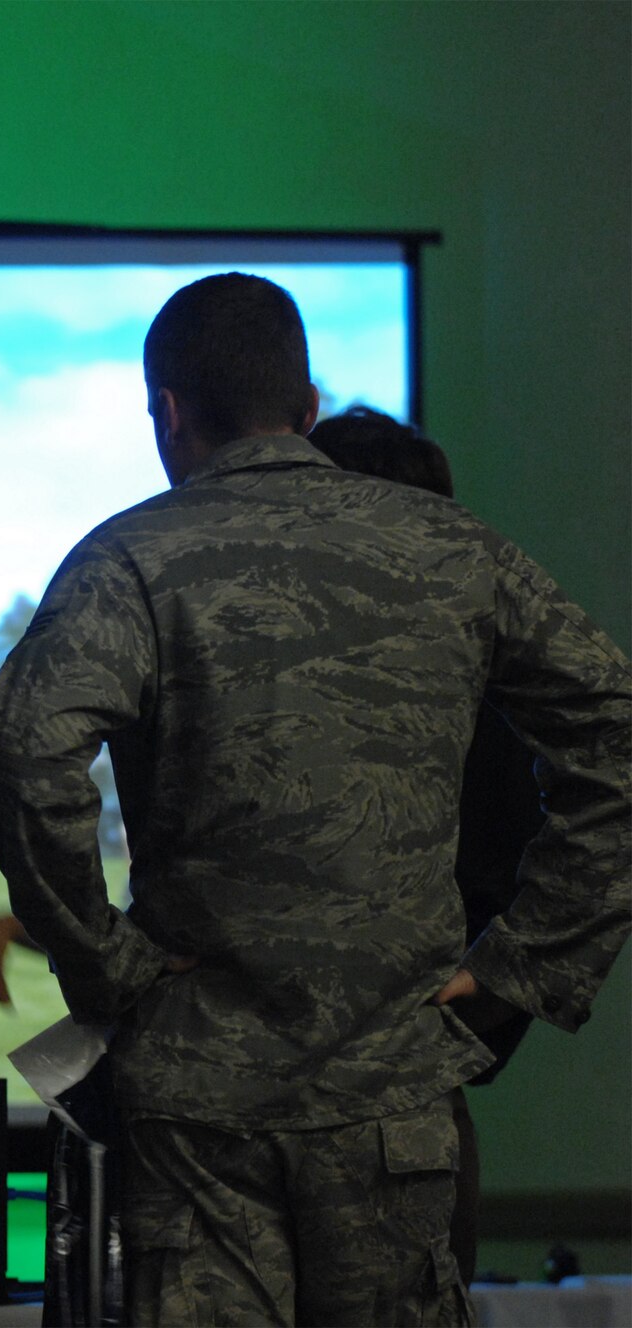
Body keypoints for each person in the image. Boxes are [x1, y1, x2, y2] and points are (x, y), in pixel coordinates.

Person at [0, 274, 631, 1326]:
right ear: (309, 409)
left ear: (166, 411)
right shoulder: (447, 548)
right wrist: (530, 957)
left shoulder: (130, 558)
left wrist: (108, 963)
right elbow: (615, 728)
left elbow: (27, 755)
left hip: (197, 1110)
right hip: (390, 1092)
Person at [308, 404, 548, 1285]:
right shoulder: (471, 698)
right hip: (404, 1107)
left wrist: (474, 1008)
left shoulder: (472, 712)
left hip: (393, 1115)